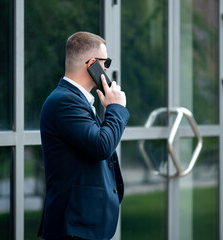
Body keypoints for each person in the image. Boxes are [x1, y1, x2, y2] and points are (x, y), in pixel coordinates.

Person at [38, 31, 130, 240]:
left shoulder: (76, 100)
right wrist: (116, 108)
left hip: (83, 224)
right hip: (75, 226)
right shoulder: (65, 101)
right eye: (105, 63)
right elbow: (102, 146)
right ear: (92, 64)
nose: (106, 69)